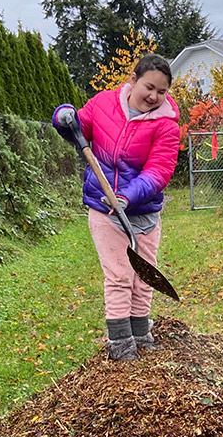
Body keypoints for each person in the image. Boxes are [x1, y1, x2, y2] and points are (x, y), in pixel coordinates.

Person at [52, 54, 180, 360]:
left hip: (143, 213)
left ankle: (141, 334)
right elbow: (76, 128)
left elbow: (159, 170)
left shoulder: (167, 125)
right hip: (104, 210)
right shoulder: (103, 104)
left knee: (144, 277)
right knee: (120, 276)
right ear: (133, 80)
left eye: (161, 92)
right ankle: (121, 345)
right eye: (149, 87)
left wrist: (127, 197)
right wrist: (63, 115)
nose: (153, 96)